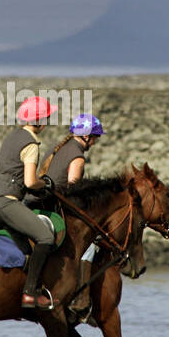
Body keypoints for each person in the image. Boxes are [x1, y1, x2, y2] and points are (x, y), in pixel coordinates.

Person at [0, 95, 58, 310]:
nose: (48, 120)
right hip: (5, 203)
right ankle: (30, 293)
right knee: (45, 236)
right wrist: (44, 185)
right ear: (39, 120)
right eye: (47, 117)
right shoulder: (31, 144)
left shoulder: (13, 136)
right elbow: (29, 181)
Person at [40, 113, 105, 322]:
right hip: (55, 207)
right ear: (86, 136)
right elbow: (73, 192)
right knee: (90, 246)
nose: (95, 142)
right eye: (95, 137)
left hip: (40, 202)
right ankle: (82, 299)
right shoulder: (77, 156)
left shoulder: (57, 147)